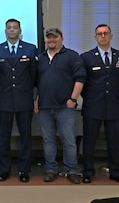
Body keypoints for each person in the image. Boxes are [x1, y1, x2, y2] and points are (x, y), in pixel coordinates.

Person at [80, 24, 119, 184]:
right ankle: (88, 171)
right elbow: (83, 82)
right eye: (99, 34)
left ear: (111, 36)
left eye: (105, 33)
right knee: (89, 141)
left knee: (114, 141)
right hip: (92, 106)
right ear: (95, 37)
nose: (103, 36)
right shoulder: (86, 57)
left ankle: (115, 171)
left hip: (114, 105)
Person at [35, 27, 85, 184]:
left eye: (54, 38)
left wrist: (73, 99)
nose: (51, 40)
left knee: (69, 141)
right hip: (44, 107)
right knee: (48, 141)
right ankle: (51, 170)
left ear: (61, 39)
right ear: (45, 40)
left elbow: (80, 78)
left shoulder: (71, 56)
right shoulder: (40, 58)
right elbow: (36, 82)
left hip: (65, 107)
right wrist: (36, 99)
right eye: (49, 38)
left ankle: (71, 171)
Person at [0, 19, 37, 182]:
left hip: (24, 99)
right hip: (4, 100)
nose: (12, 30)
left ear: (19, 30)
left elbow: (34, 76)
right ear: (5, 31)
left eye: (15, 28)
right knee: (4, 137)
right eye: (9, 28)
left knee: (25, 136)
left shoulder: (31, 49)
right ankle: (4, 170)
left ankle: (24, 170)